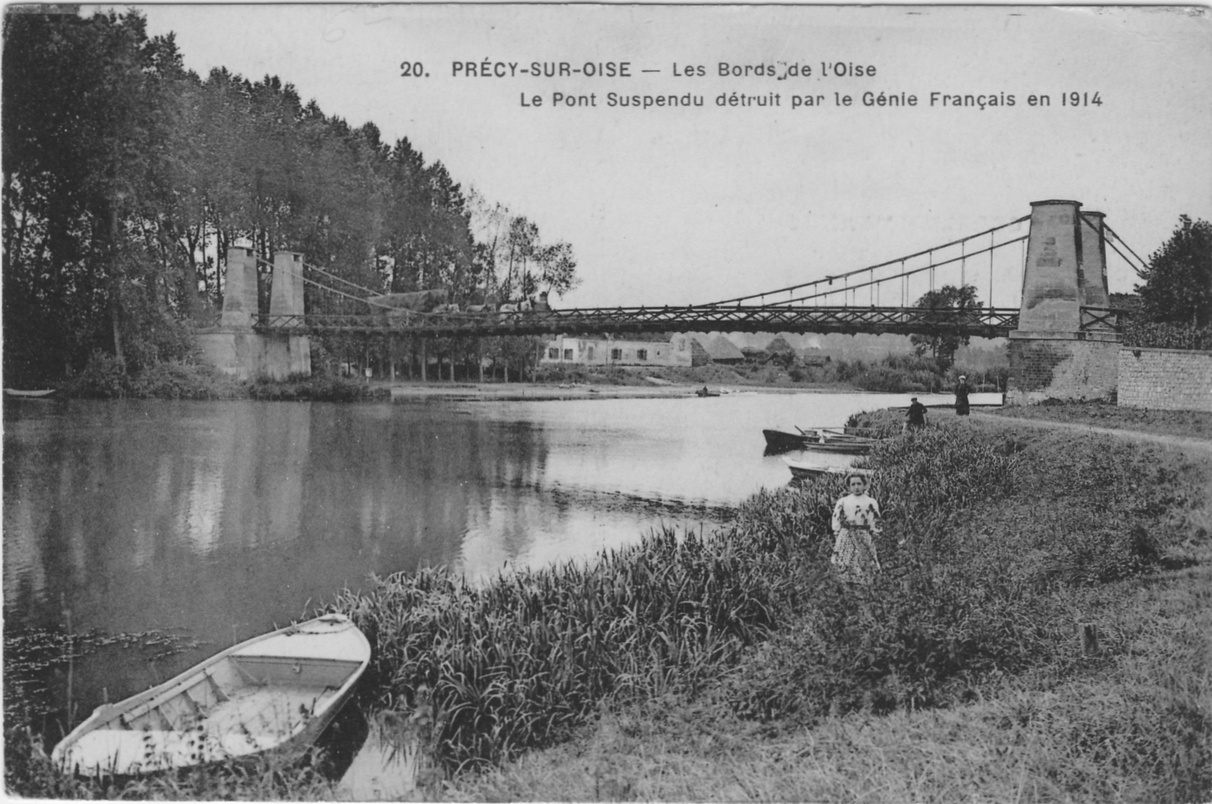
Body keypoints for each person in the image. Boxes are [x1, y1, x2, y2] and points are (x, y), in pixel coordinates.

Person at [830, 474, 882, 585]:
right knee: (845, 560)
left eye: (859, 484)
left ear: (864, 485)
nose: (856, 487)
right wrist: (837, 532)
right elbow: (836, 517)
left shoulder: (871, 502)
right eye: (853, 484)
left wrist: (875, 532)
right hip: (846, 534)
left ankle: (864, 585)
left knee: (864, 559)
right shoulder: (843, 501)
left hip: (863, 533)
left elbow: (875, 519)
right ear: (848, 486)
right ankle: (846, 585)